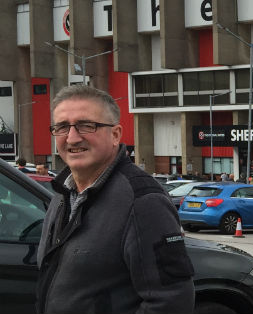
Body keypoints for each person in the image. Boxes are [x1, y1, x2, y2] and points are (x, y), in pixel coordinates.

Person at [36, 85, 194, 313]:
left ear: (116, 134)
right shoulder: (63, 194)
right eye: (61, 127)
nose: (72, 137)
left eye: (86, 125)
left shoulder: (143, 201)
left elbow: (171, 301)